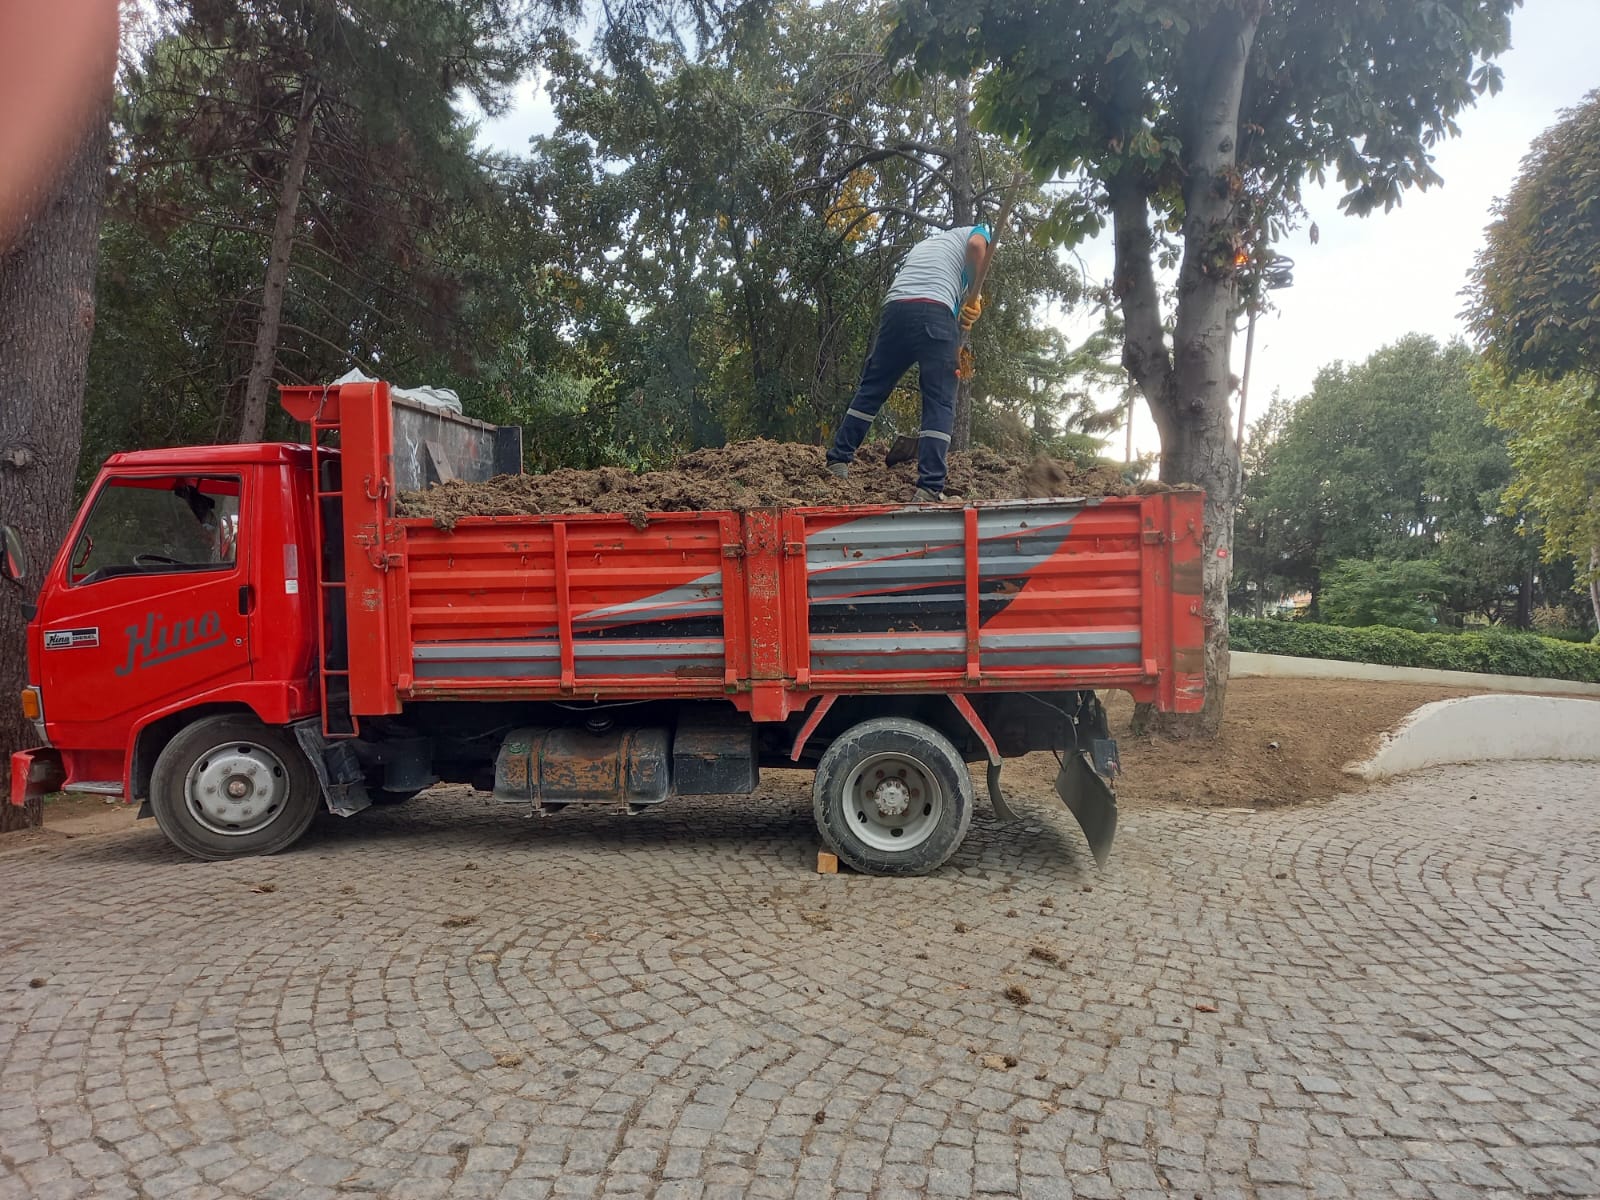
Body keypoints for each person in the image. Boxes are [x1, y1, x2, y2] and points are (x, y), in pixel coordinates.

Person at [825, 223, 990, 500]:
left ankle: (838, 459)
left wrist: (965, 305)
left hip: (896, 310)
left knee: (873, 387)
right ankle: (930, 486)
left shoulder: (929, 245)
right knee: (939, 399)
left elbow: (939, 281)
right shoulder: (979, 231)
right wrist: (977, 291)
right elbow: (977, 248)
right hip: (935, 311)